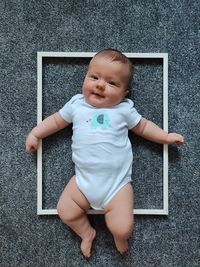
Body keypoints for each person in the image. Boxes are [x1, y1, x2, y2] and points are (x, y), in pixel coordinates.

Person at [26, 49, 184, 258]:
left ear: (124, 93)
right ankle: (87, 233)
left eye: (112, 83)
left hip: (116, 186)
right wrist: (36, 133)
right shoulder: (76, 105)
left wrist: (165, 137)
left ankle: (119, 237)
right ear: (85, 78)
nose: (100, 85)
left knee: (122, 228)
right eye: (94, 77)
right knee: (65, 210)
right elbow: (55, 121)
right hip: (83, 182)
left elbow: (144, 127)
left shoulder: (124, 110)